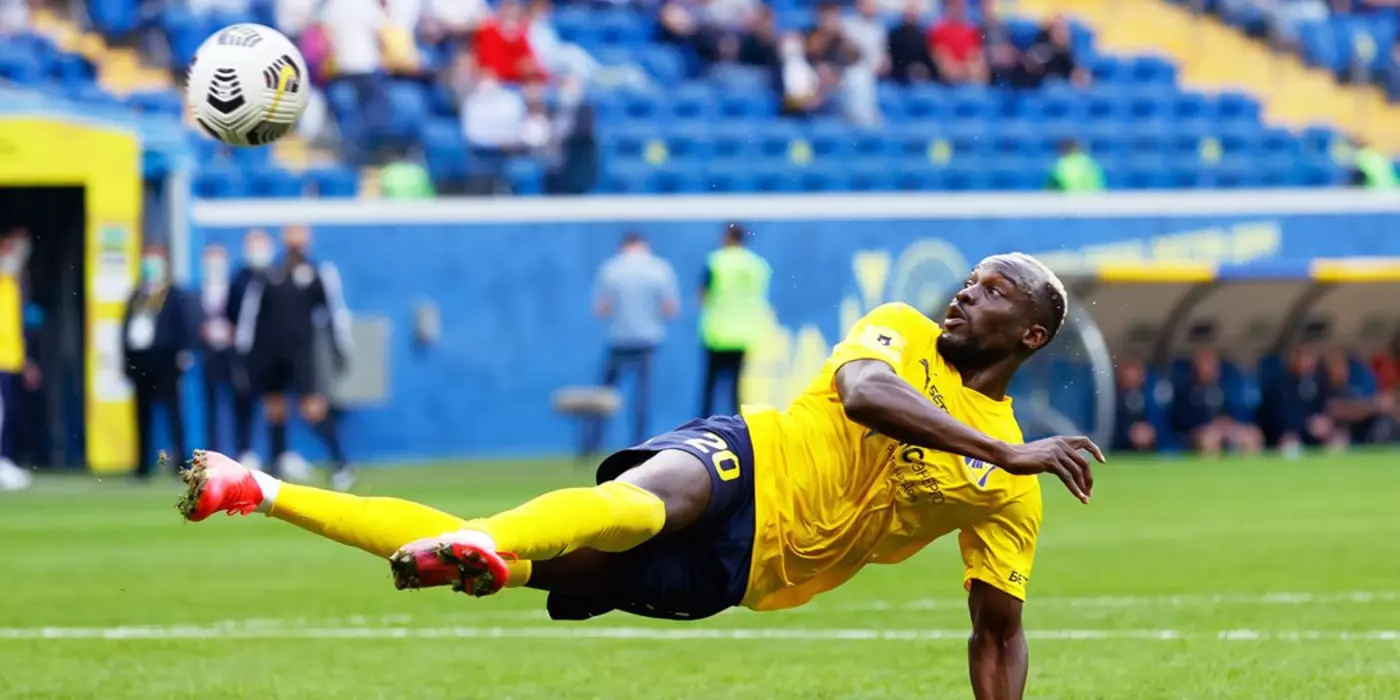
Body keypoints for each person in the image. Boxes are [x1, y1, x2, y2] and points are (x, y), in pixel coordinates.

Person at [180, 253, 1103, 700]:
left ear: (1030, 335)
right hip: (753, 455)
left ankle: (253, 488)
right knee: (643, 502)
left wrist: (1006, 460)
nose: (966, 290)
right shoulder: (901, 329)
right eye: (972, 278)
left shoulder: (1008, 494)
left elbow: (998, 632)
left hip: (746, 573)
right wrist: (1008, 450)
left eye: (993, 291)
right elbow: (864, 395)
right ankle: (483, 542)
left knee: (525, 563)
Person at [233, 226, 352, 486]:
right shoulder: (270, 274)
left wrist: (340, 347)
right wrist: (245, 354)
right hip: (270, 355)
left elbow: (334, 312)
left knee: (312, 408)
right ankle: (278, 463)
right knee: (275, 408)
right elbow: (249, 318)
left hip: (301, 356)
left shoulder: (318, 272)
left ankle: (341, 463)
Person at [585, 232, 681, 455]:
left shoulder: (610, 269)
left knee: (604, 396)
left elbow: (601, 309)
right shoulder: (659, 268)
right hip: (647, 341)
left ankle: (592, 443)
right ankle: (640, 445)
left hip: (619, 339)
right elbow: (671, 309)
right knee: (642, 398)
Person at [122, 245, 196, 478]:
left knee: (173, 413)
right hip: (140, 360)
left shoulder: (173, 294)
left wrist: (183, 353)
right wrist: (126, 362)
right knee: (141, 414)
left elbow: (183, 325)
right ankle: (141, 465)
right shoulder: (136, 294)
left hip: (166, 360)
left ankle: (181, 462)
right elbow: (125, 328)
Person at [698, 223, 771, 418]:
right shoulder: (755, 265)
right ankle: (737, 425)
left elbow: (703, 296)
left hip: (717, 332)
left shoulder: (717, 261)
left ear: (727, 237)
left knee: (710, 387)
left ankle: (703, 427)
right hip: (744, 333)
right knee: (737, 386)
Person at [0, 228, 35, 490]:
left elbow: (18, 329)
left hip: (12, 361)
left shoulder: (16, 285)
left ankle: (6, 460)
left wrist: (27, 361)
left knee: (11, 414)